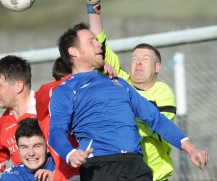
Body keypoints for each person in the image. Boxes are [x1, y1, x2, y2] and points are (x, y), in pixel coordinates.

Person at [48, 22, 209, 181]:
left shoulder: (119, 83)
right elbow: (55, 133)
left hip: (136, 165)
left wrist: (191, 148)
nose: (98, 45)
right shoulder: (65, 90)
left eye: (97, 41)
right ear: (73, 51)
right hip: (99, 167)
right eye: (91, 41)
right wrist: (70, 154)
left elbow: (156, 119)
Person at [82, 0, 177, 180]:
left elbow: (154, 123)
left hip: (155, 176)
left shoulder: (163, 92)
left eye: (145, 59)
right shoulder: (120, 80)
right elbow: (100, 45)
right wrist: (93, 8)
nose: (138, 63)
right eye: (134, 59)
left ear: (158, 67)